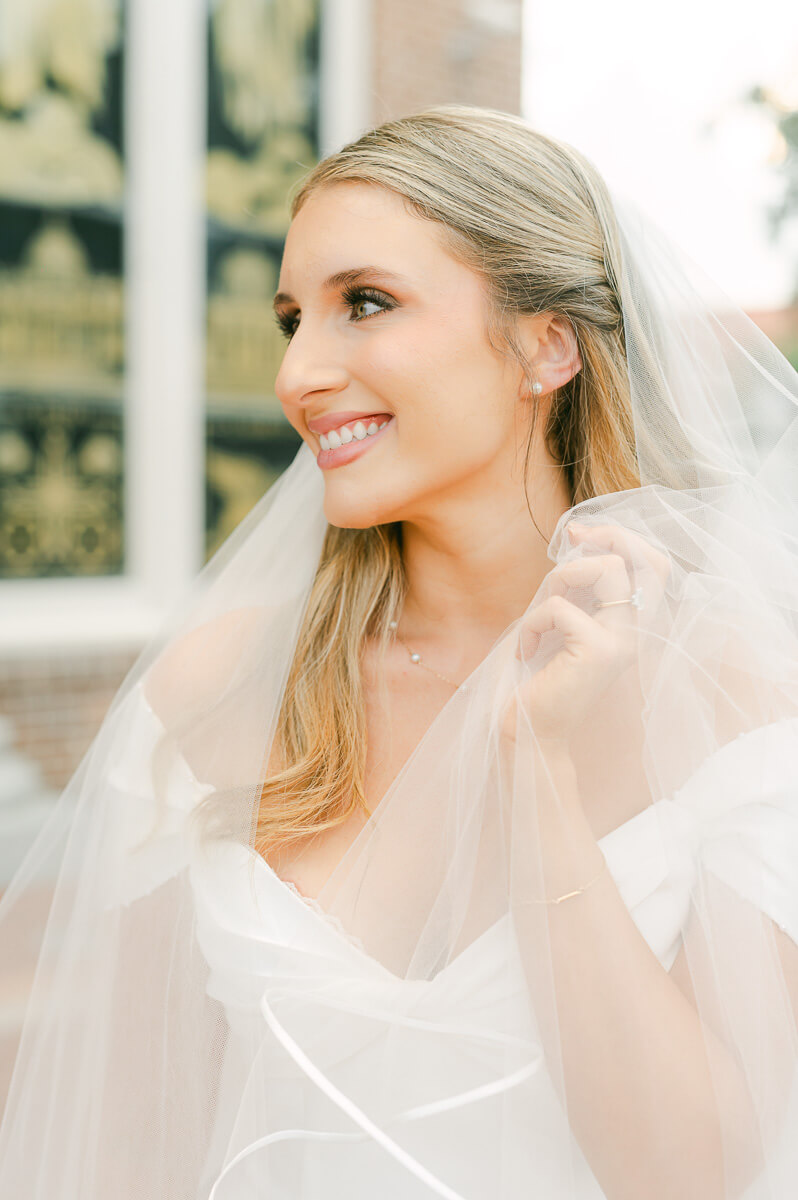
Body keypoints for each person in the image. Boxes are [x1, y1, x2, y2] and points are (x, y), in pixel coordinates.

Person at [1, 104, 797, 1199]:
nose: (298, 375)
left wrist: (539, 775)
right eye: (293, 319)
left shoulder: (743, 702)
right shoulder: (215, 689)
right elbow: (129, 1143)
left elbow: (689, 1173)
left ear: (546, 343)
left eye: (364, 304)